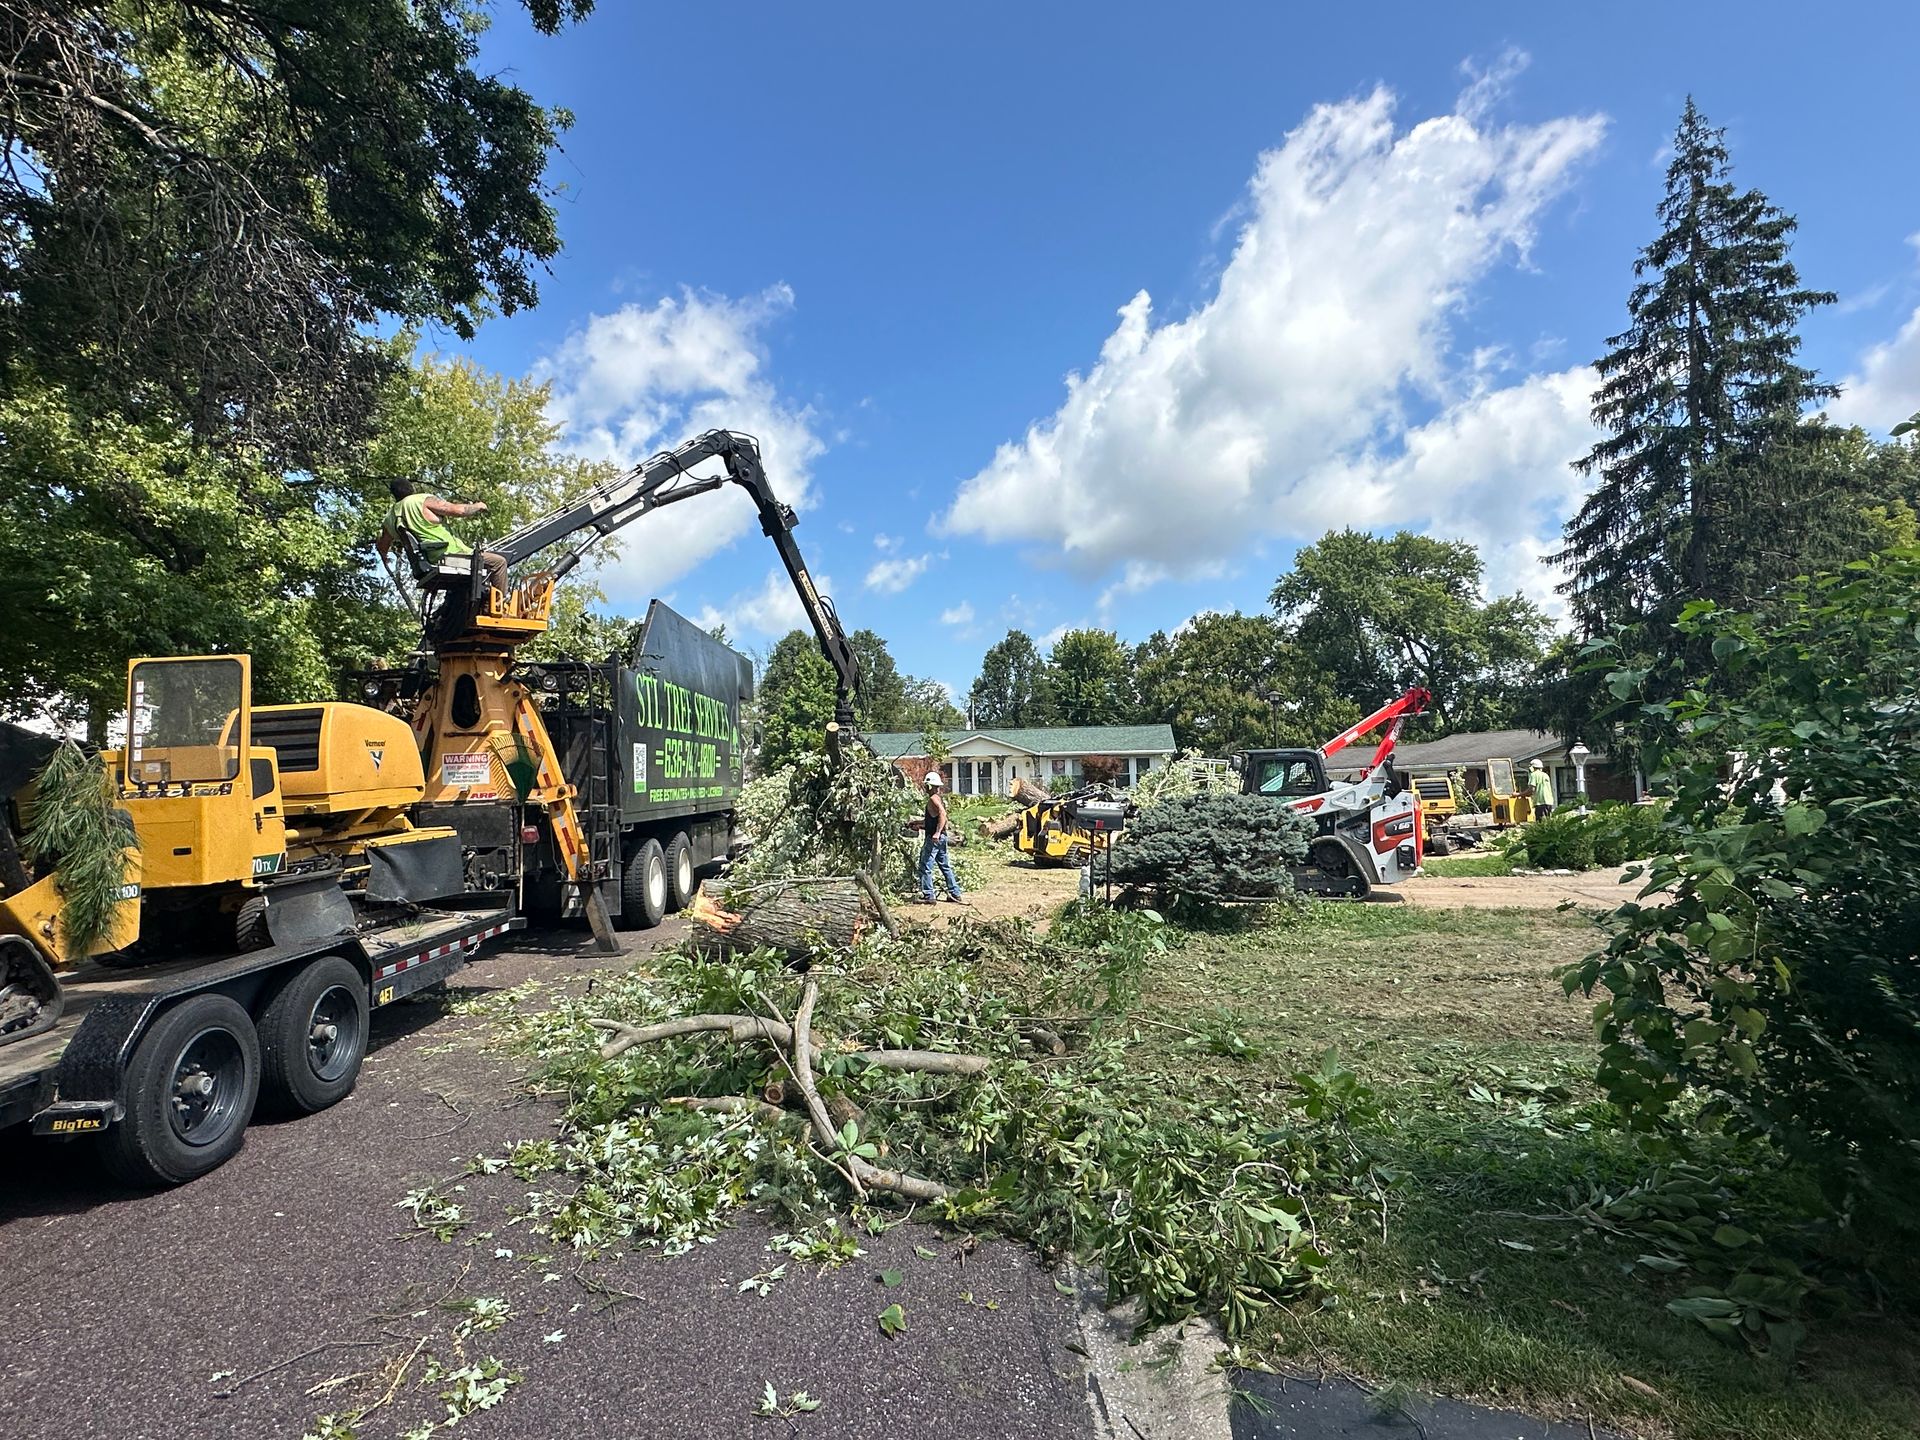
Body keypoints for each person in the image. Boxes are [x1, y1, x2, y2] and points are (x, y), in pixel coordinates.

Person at [377, 478, 508, 596]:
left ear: (393, 494)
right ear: (412, 489)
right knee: (499, 562)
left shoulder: (390, 517)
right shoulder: (420, 500)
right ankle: (499, 609)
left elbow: (383, 545)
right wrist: (478, 506)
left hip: (428, 561)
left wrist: (384, 557)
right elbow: (458, 510)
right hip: (450, 556)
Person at [916, 771, 966, 905]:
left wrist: (937, 833)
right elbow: (932, 820)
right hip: (941, 838)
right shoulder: (937, 798)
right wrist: (917, 825)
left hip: (935, 839)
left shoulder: (933, 799)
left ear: (930, 786)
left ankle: (928, 895)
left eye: (927, 786)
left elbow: (943, 814)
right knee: (945, 866)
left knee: (925, 866)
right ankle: (955, 893)